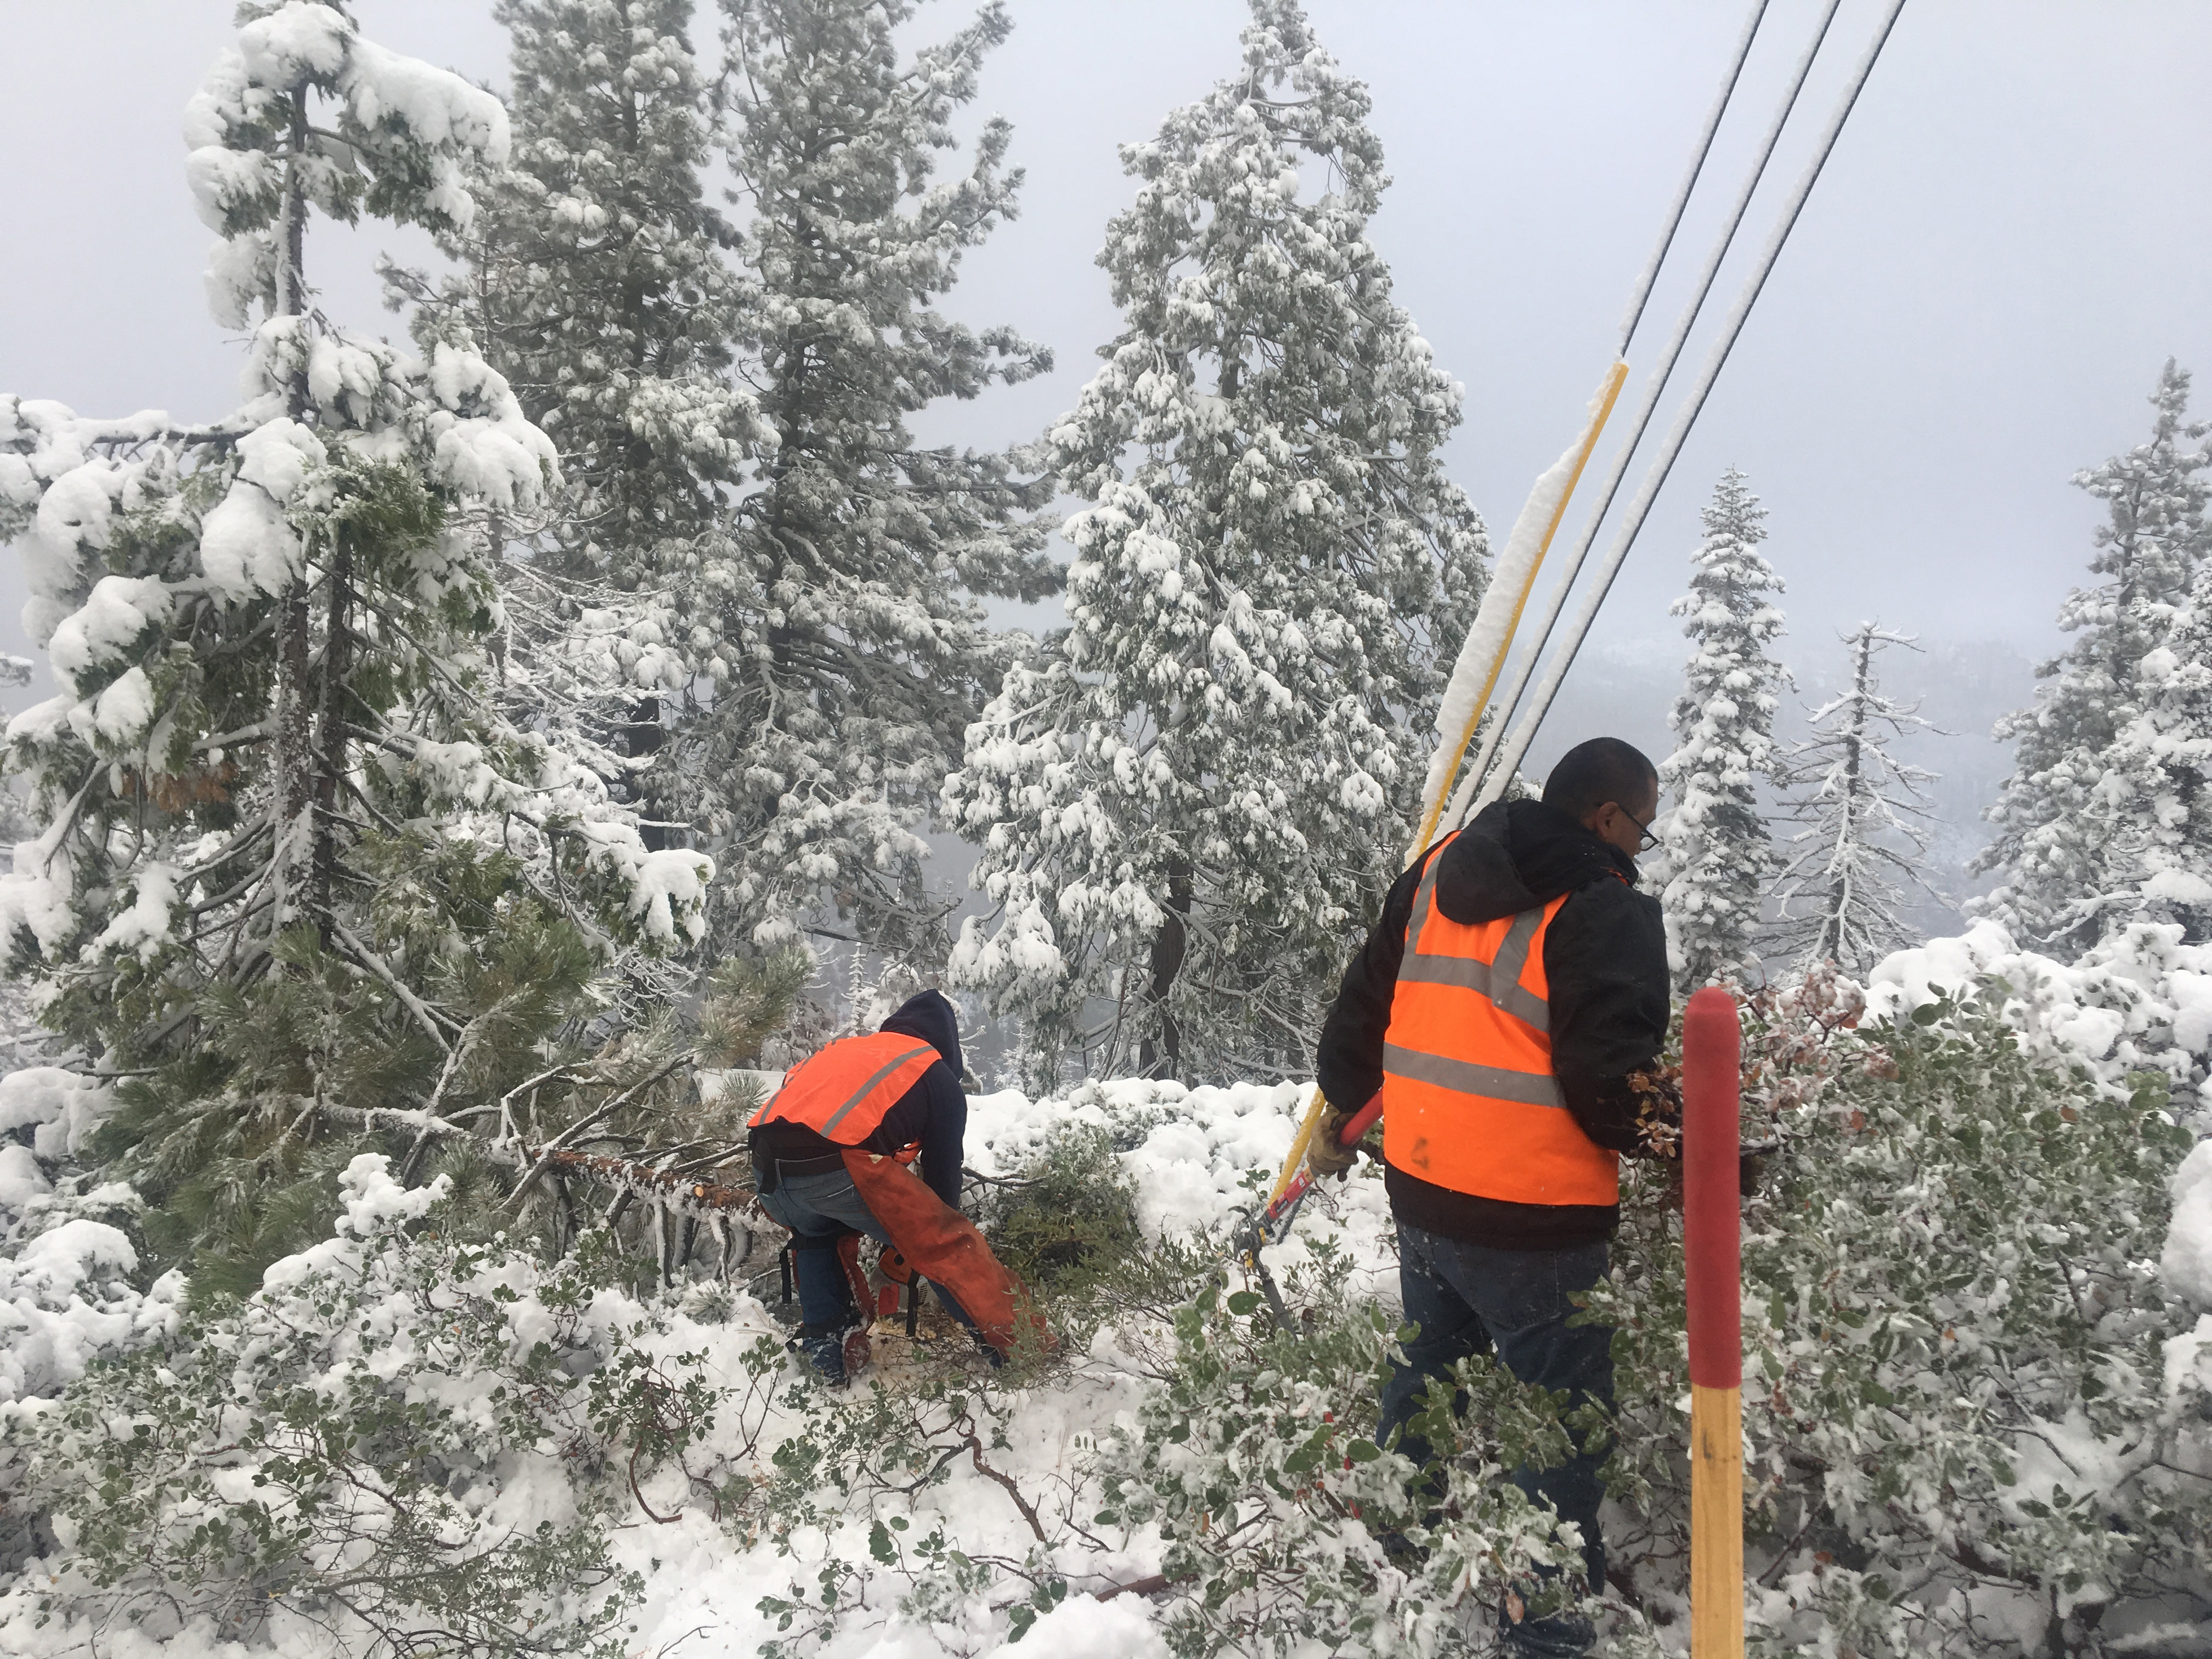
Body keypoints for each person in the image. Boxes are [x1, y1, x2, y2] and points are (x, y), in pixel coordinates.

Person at [1312, 737, 1681, 1658]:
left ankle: (1391, 1532)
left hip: (1425, 1189)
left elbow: (1362, 1005)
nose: (1643, 840)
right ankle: (1547, 1622)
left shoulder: (1439, 866)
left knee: (1425, 1363)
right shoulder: (1605, 906)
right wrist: (1690, 1144)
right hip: (1537, 1218)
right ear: (1605, 817)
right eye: (1643, 821)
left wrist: (1347, 1112)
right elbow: (1612, 1086)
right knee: (1559, 1419)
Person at [748, 989, 1040, 1383]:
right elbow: (942, 1182)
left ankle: (828, 1357)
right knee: (949, 1244)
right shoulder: (932, 1071)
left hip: (767, 1172)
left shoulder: (850, 1050)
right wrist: (910, 1243)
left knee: (816, 1236)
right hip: (833, 1163)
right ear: (948, 1048)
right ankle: (1022, 1351)